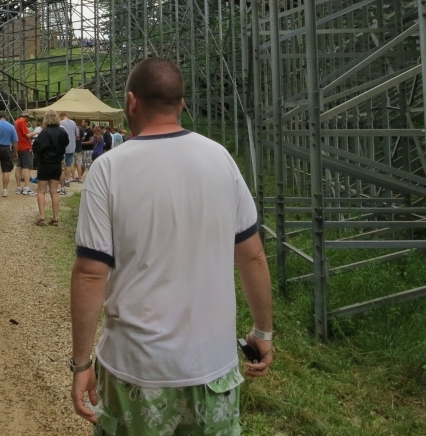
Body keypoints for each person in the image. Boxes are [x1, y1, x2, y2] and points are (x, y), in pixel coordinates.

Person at [70, 58, 273, 433]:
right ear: (181, 104)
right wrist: (262, 332)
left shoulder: (108, 169)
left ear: (131, 102)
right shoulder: (221, 159)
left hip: (136, 370)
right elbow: (253, 254)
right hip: (213, 369)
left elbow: (89, 275)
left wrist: (81, 363)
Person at [32, 110, 68, 226]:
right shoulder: (62, 132)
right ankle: (55, 218)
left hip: (45, 164)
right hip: (57, 164)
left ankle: (42, 217)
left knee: (41, 191)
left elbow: (36, 147)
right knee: (54, 191)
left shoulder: (44, 132)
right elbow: (66, 144)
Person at [0, 111, 18, 196]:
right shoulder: (11, 127)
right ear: (6, 116)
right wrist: (15, 152)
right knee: (6, 170)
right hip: (6, 149)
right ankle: (5, 190)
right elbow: (15, 142)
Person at [14, 112, 34, 195]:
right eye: (29, 118)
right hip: (25, 146)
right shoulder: (22, 122)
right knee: (27, 167)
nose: (29, 120)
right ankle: (26, 188)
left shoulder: (16, 122)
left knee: (19, 167)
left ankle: (19, 187)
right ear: (26, 116)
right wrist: (37, 133)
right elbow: (28, 135)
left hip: (19, 146)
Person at [59, 112, 79, 188]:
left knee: (62, 164)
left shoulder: (61, 123)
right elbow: (77, 135)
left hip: (63, 147)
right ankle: (67, 179)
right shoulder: (73, 123)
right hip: (72, 146)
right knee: (69, 164)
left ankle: (61, 180)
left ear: (61, 116)